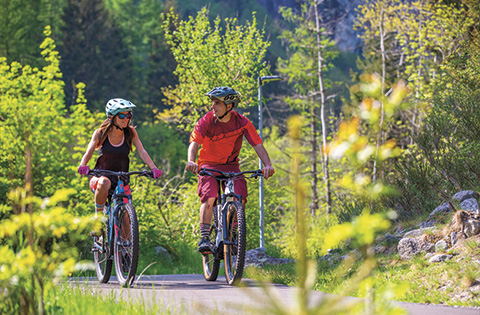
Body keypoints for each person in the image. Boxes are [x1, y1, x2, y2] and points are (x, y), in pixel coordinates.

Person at [186, 86, 275, 253]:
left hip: (231, 166)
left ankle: (232, 235)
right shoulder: (206, 120)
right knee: (210, 197)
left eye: (217, 103)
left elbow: (257, 144)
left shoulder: (242, 123)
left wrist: (267, 164)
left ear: (229, 106)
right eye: (212, 102)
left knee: (239, 198)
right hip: (208, 166)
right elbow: (194, 143)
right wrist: (191, 161)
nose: (213, 106)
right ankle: (205, 237)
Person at [78, 98, 162, 216]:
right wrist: (83, 165)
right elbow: (89, 151)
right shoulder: (100, 133)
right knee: (104, 182)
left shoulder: (130, 132)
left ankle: (125, 233)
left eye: (128, 115)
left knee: (127, 220)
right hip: (100, 177)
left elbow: (142, 151)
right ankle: (98, 218)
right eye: (122, 116)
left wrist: (153, 168)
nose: (126, 119)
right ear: (112, 117)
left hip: (121, 179)